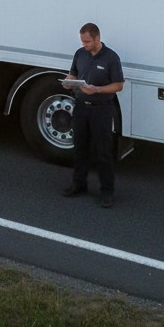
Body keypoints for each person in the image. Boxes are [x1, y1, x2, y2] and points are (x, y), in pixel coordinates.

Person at [61, 22, 125, 208]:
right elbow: (73, 74)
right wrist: (68, 81)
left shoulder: (111, 58)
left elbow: (119, 85)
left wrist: (97, 89)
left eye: (87, 41)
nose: (84, 45)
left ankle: (107, 191)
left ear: (97, 38)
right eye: (82, 41)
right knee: (80, 147)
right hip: (81, 107)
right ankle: (79, 183)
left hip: (102, 109)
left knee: (103, 151)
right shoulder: (80, 54)